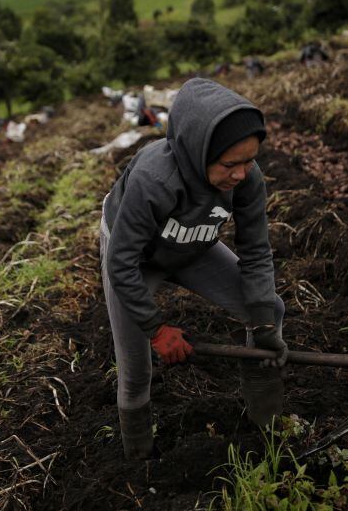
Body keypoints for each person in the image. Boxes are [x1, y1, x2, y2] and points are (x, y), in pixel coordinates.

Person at [99, 78, 288, 460]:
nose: (241, 174)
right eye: (229, 164)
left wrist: (264, 327)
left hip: (193, 246)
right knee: (135, 370)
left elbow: (255, 251)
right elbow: (121, 263)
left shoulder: (247, 179)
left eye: (249, 160)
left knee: (270, 309)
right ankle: (139, 458)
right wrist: (156, 329)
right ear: (197, 151)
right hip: (137, 259)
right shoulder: (155, 179)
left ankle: (266, 424)